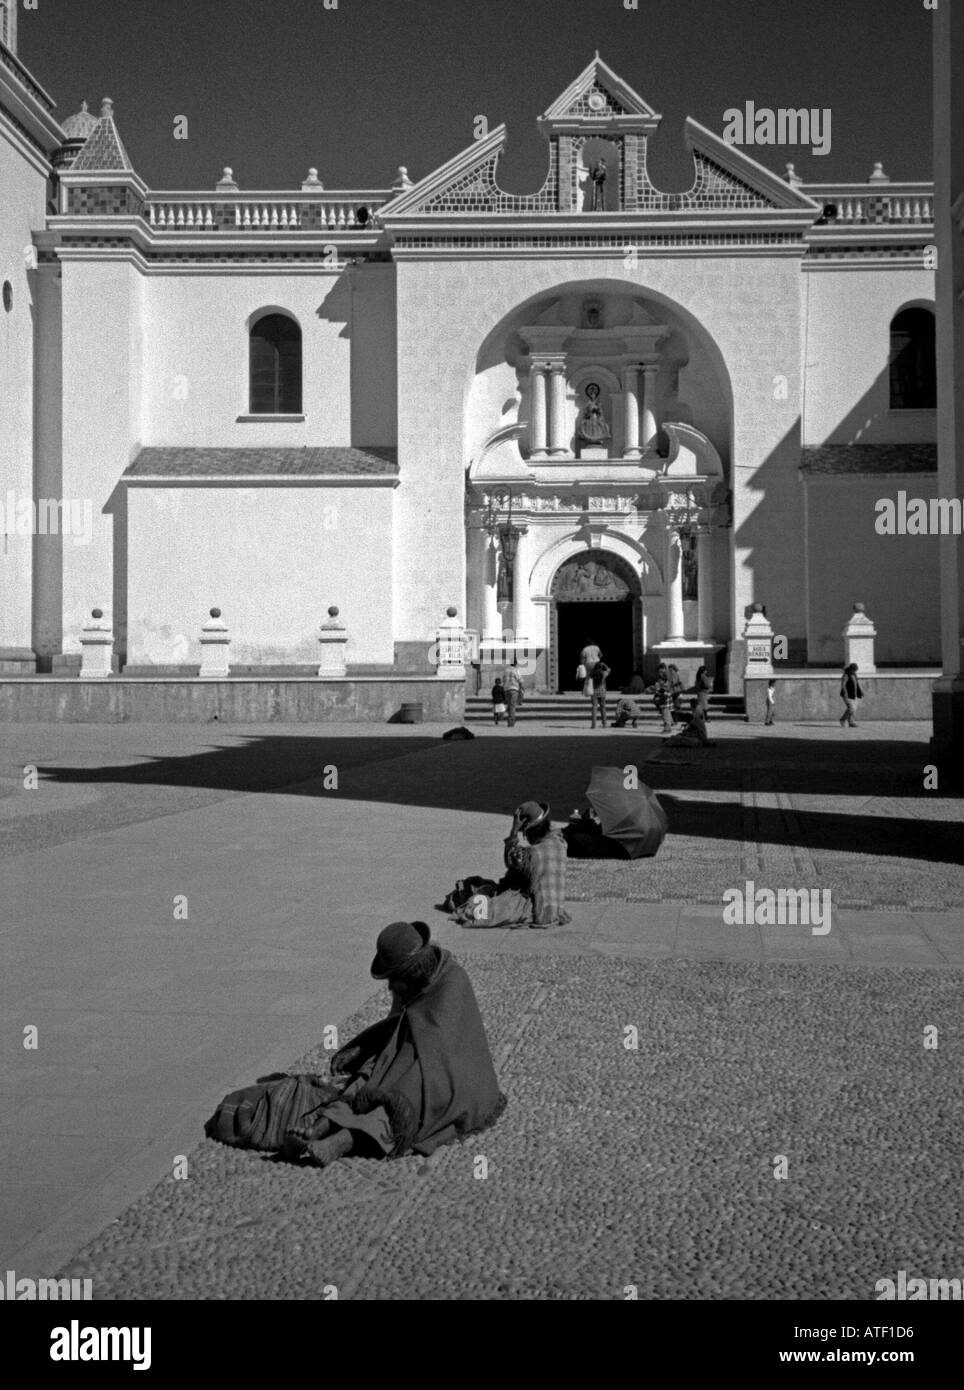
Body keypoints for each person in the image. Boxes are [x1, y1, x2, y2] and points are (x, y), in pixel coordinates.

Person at [282, 922, 506, 1166]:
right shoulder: (409, 985)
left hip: (445, 1072)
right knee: (370, 1073)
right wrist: (361, 1046)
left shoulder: (452, 982)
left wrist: (400, 1065)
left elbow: (439, 1047)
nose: (390, 987)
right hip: (409, 1055)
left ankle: (344, 1140)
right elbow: (397, 1024)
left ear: (410, 973)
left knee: (403, 1097)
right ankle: (322, 1125)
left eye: (393, 980)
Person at [455, 801, 571, 929]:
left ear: (530, 831)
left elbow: (510, 860)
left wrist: (514, 831)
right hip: (556, 908)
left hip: (539, 910)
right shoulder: (559, 843)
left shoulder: (532, 853)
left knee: (477, 904)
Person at [648, 664, 675, 733]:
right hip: (663, 695)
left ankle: (667, 727)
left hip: (664, 696)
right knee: (665, 711)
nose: (659, 673)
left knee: (665, 711)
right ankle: (669, 724)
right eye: (659, 671)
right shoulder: (663, 677)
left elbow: (666, 687)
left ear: (664, 669)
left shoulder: (667, 677)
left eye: (661, 671)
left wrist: (656, 689)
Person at [839, 663, 863, 727]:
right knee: (851, 708)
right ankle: (843, 719)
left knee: (854, 709)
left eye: (856, 670)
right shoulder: (846, 675)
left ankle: (851, 722)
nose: (855, 671)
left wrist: (860, 691)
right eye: (854, 670)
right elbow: (843, 685)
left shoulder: (854, 674)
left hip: (854, 694)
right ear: (851, 669)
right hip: (847, 695)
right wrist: (845, 693)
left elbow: (856, 684)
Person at [589, 659, 611, 728]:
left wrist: (594, 667)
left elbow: (589, 675)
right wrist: (604, 664)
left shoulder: (592, 673)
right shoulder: (603, 673)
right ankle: (604, 724)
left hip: (594, 692)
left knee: (594, 708)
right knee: (603, 708)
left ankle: (593, 724)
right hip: (602, 692)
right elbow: (609, 669)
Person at [503, 662, 524, 727]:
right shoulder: (516, 670)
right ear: (516, 663)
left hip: (506, 689)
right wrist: (521, 689)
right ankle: (511, 722)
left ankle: (509, 718)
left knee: (509, 705)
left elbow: (503, 680)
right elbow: (520, 680)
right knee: (512, 706)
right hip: (514, 689)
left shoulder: (506, 670)